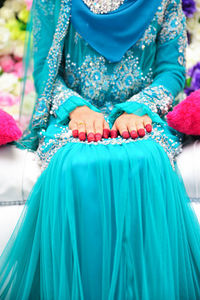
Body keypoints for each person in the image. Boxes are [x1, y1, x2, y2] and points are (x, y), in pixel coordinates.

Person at [1, 0, 200, 299]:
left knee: (145, 160)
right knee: (71, 166)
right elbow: (45, 71)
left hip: (142, 118)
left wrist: (140, 108)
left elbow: (170, 70)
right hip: (73, 118)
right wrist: (75, 109)